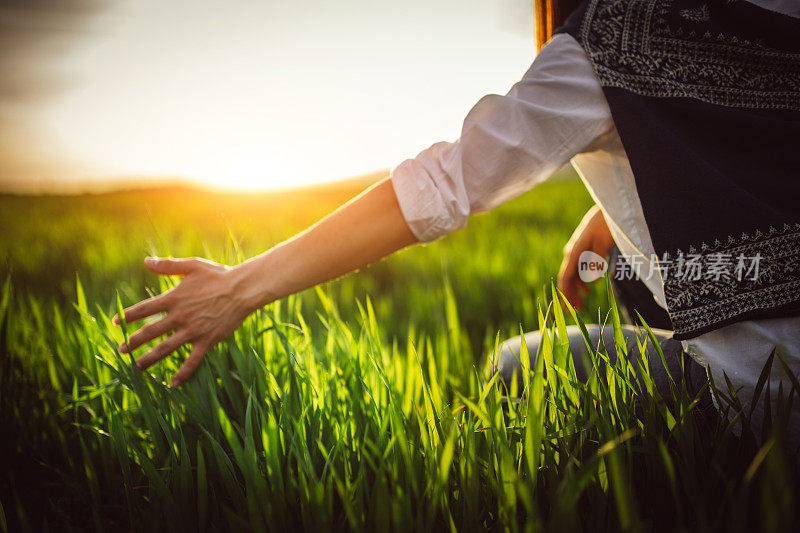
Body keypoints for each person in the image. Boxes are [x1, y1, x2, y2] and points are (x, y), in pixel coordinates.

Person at [114, 0, 800, 442]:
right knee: (617, 262)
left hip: (763, 401)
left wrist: (240, 286)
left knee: (517, 364)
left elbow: (440, 186)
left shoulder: (615, 38)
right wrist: (610, 200)